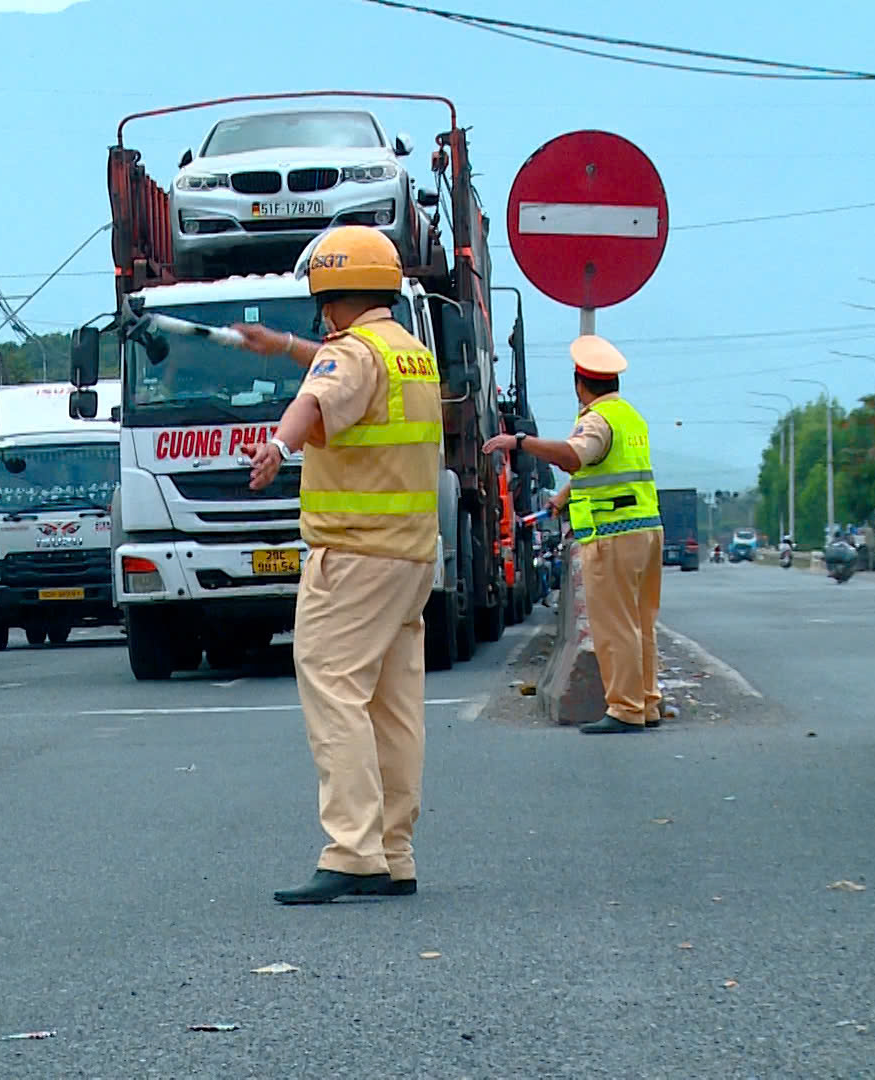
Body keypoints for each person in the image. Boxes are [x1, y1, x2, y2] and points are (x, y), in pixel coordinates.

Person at [226, 224, 440, 905]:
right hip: (410, 558)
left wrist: (278, 448)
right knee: (394, 703)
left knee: (333, 687)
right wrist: (287, 347)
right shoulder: (408, 352)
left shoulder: (351, 352)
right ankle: (393, 852)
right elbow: (338, 369)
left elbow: (318, 396)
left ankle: (352, 851)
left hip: (352, 553)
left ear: (330, 295)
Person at [487, 335, 662, 734]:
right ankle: (648, 702)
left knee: (614, 625)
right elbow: (601, 468)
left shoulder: (596, 420)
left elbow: (574, 455)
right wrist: (562, 498)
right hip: (646, 531)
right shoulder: (629, 417)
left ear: (579, 383)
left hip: (611, 535)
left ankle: (625, 709)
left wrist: (520, 441)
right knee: (640, 623)